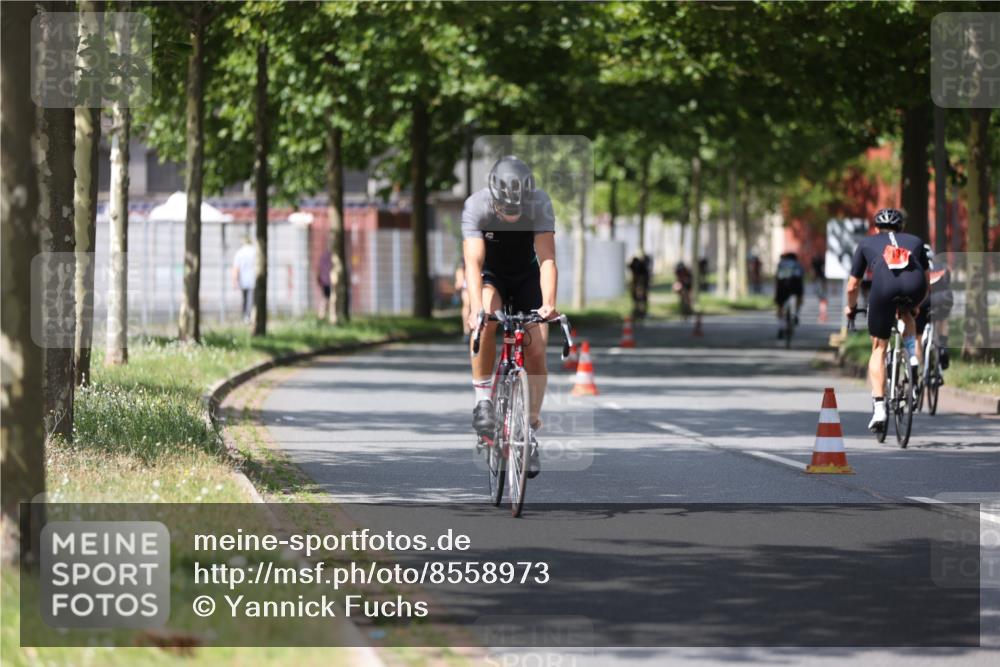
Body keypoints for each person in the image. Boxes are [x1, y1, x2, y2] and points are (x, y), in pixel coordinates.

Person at [463, 156, 558, 478]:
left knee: (535, 349)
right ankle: (483, 402)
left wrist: (549, 303)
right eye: (506, 211)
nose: (512, 216)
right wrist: (476, 309)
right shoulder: (477, 206)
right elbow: (473, 265)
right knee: (487, 318)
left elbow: (546, 258)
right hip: (492, 275)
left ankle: (529, 429)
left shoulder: (540, 203)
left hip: (527, 275)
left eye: (518, 211)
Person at [845, 208, 930, 431]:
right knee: (907, 314)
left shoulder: (866, 243)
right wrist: (916, 306)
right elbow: (927, 281)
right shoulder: (916, 241)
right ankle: (912, 357)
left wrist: (851, 308)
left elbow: (853, 285)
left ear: (876, 228)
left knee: (878, 347)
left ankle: (880, 408)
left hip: (884, 286)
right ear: (901, 228)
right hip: (915, 286)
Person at [915, 244, 954, 370]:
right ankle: (943, 346)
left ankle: (918, 370)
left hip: (924, 300)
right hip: (944, 297)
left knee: (917, 335)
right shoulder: (942, 266)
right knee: (942, 320)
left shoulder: (917, 268)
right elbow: (947, 281)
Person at [774, 251, 804, 337]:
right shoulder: (797, 264)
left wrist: (776, 292)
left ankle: (781, 327)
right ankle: (796, 315)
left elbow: (776, 277)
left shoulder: (781, 263)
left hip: (782, 284)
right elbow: (801, 276)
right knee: (799, 296)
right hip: (795, 283)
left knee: (780, 306)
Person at [232, 235, 258, 324]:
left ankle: (245, 316)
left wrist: (235, 280)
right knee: (250, 299)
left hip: (243, 280)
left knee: (245, 299)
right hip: (252, 279)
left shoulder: (239, 252)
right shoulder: (254, 251)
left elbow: (236, 268)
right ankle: (248, 316)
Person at [629, 253, 651, 319]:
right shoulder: (641, 267)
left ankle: (640, 312)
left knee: (640, 299)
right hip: (639, 284)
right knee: (639, 298)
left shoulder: (641, 267)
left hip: (638, 284)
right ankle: (639, 311)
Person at [454, 259, 470, 341]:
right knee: (467, 307)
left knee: (467, 308)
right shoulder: (460, 270)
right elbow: (458, 284)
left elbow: (458, 285)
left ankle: (467, 331)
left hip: (469, 290)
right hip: (466, 290)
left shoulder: (461, 269)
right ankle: (467, 331)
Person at [317, 249, 332, 318]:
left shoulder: (323, 257)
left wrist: (319, 280)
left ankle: (322, 315)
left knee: (326, 298)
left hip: (325, 281)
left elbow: (319, 270)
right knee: (327, 299)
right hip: (329, 282)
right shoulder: (332, 257)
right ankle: (323, 315)